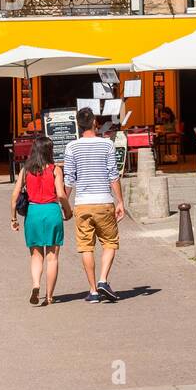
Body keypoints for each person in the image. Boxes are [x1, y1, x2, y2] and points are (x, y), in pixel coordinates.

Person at [63, 107, 125, 304]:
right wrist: (120, 201)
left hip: (82, 203)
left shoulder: (71, 147)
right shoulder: (107, 145)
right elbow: (113, 175)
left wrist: (64, 203)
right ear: (94, 123)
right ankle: (103, 280)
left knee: (86, 247)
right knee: (110, 242)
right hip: (104, 201)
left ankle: (93, 291)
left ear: (78, 125)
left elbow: (69, 179)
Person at [9, 136, 67, 307]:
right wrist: (68, 211)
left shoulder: (25, 170)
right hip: (51, 212)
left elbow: (14, 197)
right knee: (52, 257)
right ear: (49, 150)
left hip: (33, 212)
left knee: (35, 255)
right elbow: (61, 194)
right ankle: (49, 296)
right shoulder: (55, 169)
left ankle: (36, 284)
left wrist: (13, 219)